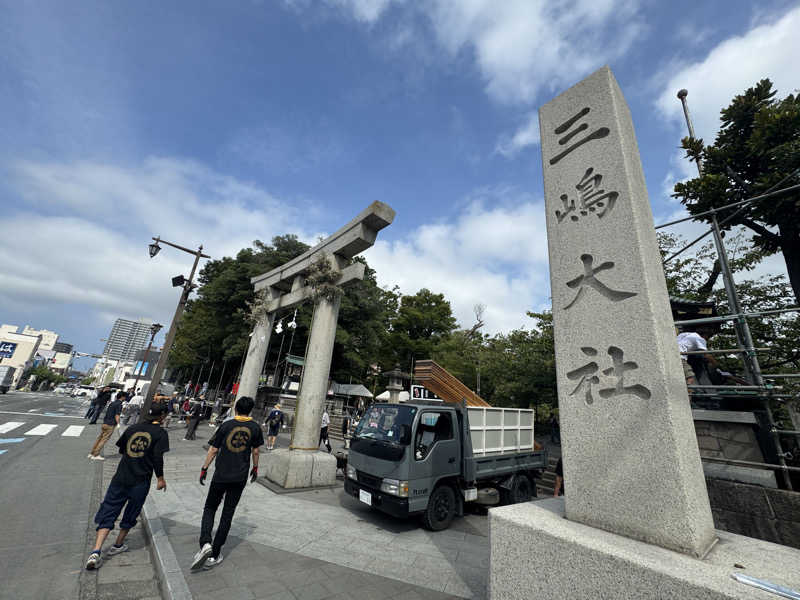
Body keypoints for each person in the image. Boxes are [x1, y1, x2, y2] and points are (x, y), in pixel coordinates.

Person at [84, 403, 169, 570]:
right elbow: (158, 458)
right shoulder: (160, 433)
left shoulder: (133, 428)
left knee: (109, 508)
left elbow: (122, 449)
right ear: (162, 416)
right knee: (132, 511)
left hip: (121, 476)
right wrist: (160, 478)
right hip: (141, 479)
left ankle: (96, 550)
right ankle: (118, 544)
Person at [191, 396, 263, 571]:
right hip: (239, 476)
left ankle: (205, 543)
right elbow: (255, 451)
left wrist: (204, 468)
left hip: (221, 474)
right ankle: (215, 553)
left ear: (236, 409)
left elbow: (214, 449)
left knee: (210, 508)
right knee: (228, 513)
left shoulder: (226, 425)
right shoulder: (255, 427)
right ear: (250, 410)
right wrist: (255, 468)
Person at [88, 391, 127, 460]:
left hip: (105, 422)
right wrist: (118, 424)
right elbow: (117, 415)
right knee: (104, 440)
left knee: (99, 438)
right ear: (122, 397)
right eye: (125, 397)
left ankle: (92, 453)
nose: (125, 398)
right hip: (111, 424)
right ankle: (96, 454)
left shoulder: (112, 403)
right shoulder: (119, 405)